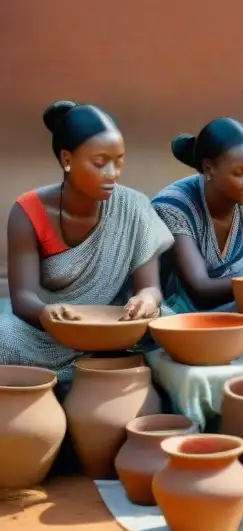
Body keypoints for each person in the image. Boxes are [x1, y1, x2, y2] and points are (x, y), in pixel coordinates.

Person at [0, 101, 174, 383]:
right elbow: (22, 298)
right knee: (3, 336)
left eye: (119, 161)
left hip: (115, 328)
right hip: (47, 333)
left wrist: (145, 300)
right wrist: (45, 312)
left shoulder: (134, 207)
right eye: (100, 162)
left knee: (169, 327)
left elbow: (150, 287)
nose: (113, 174)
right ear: (67, 159)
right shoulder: (29, 211)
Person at [152, 118, 243, 313]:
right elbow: (200, 287)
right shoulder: (173, 207)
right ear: (209, 168)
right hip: (183, 318)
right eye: (240, 173)